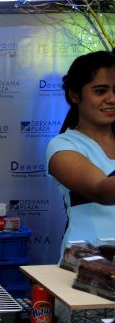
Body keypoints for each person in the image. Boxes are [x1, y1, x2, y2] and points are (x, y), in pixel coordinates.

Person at [46, 50, 115, 260]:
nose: (112, 99)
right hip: (86, 268)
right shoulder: (63, 146)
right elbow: (102, 190)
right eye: (100, 91)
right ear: (74, 94)